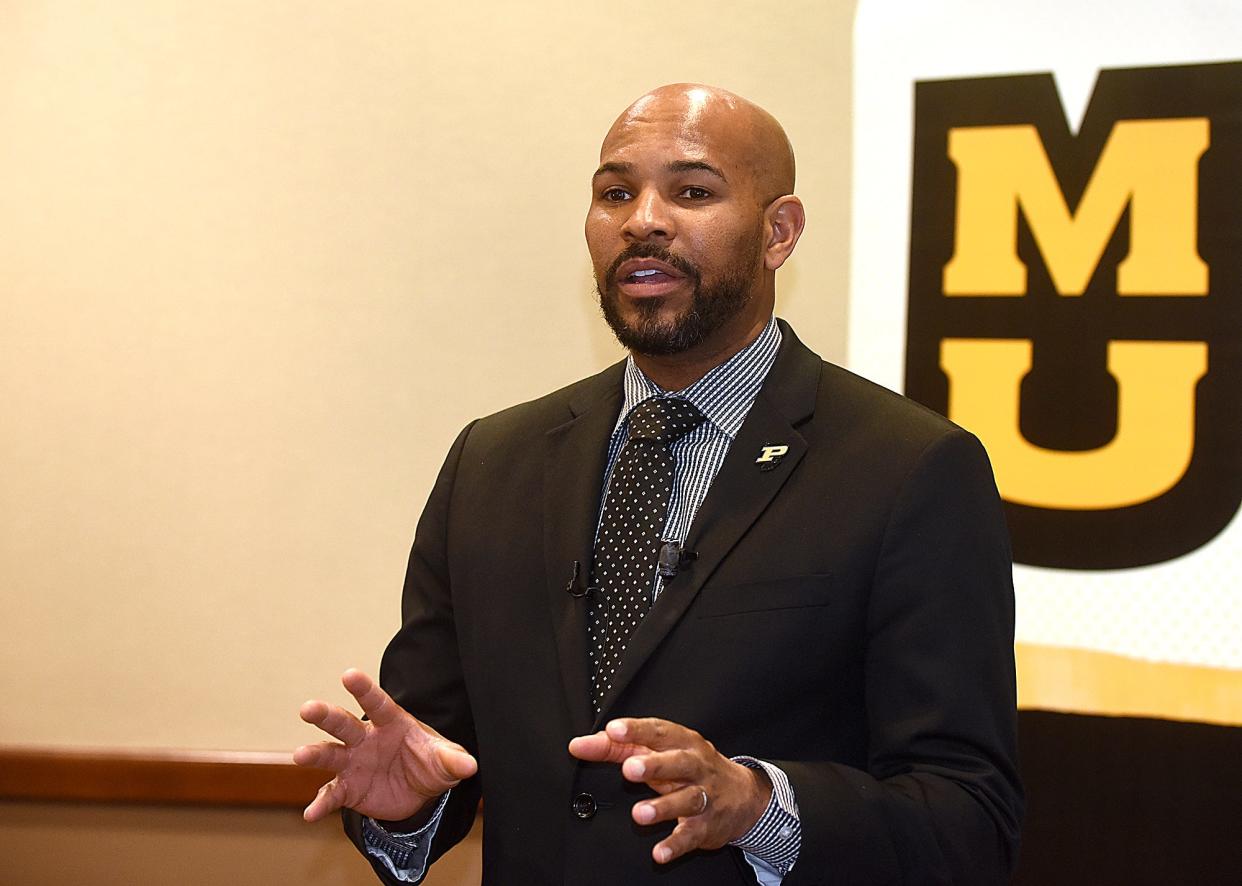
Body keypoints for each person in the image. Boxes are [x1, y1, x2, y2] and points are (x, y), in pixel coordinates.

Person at [295, 83, 1023, 885]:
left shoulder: (909, 469)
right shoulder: (491, 463)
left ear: (779, 232)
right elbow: (433, 755)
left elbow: (967, 820)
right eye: (615, 193)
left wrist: (758, 805)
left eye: (693, 192)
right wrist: (406, 811)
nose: (643, 219)